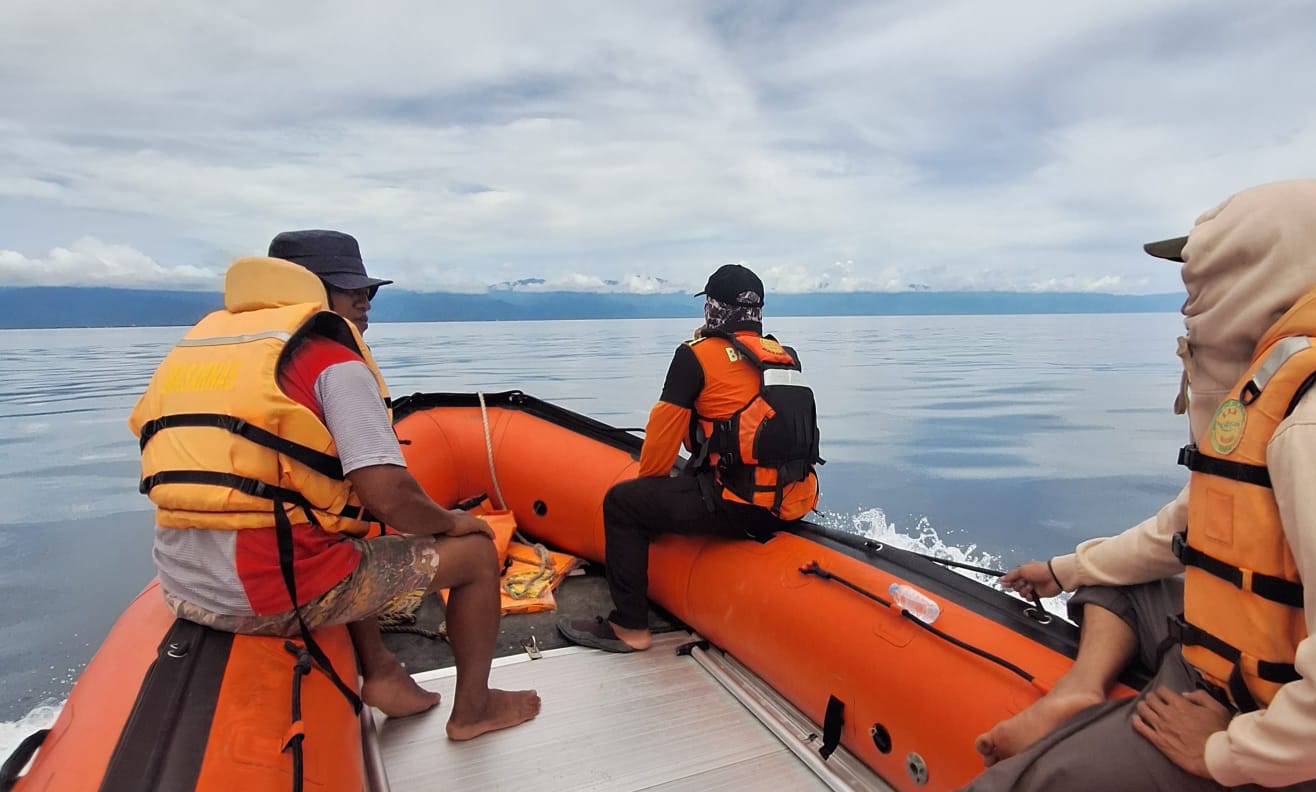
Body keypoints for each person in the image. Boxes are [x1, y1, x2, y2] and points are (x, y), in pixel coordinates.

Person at [722, 178, 1316, 792]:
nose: (1188, 303)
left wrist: (1224, 751)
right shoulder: (1311, 399)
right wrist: (1062, 569)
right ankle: (1079, 689)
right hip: (1258, 662)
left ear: (1258, 277)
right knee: (1115, 572)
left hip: (1306, 740)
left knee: (1036, 787)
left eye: (1199, 280)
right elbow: (1178, 534)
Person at [128, 230, 540, 741]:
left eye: (369, 290)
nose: (365, 301)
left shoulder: (204, 351)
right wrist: (454, 522)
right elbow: (388, 496)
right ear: (306, 290)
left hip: (182, 582)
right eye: (350, 289)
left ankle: (381, 672)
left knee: (340, 531)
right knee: (476, 553)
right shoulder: (334, 364)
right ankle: (474, 709)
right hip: (269, 591)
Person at [558, 263, 821, 653]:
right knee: (691, 483)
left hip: (736, 506)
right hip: (790, 503)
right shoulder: (785, 357)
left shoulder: (693, 356)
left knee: (622, 503)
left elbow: (659, 454)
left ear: (714, 307)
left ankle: (629, 627)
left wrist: (649, 495)